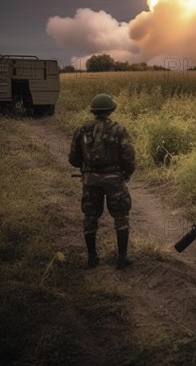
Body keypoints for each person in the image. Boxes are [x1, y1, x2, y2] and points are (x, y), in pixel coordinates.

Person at [69, 94, 135, 269]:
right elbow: (128, 156)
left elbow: (74, 159)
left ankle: (92, 257)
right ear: (111, 110)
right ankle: (122, 257)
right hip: (115, 180)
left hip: (90, 180)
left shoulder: (81, 129)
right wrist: (126, 173)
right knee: (121, 216)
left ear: (93, 111)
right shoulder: (118, 129)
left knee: (90, 216)